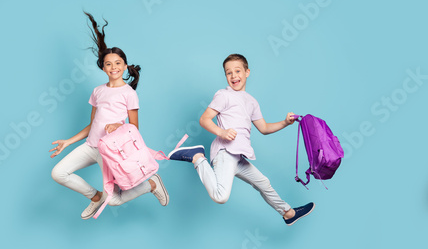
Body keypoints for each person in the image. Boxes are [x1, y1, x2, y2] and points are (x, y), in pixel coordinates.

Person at [168, 54, 314, 225]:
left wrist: (285, 122)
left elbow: (264, 128)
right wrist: (221, 132)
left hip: (239, 156)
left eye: (237, 71)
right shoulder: (224, 95)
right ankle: (197, 157)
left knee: (264, 183)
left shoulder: (252, 102)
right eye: (228, 73)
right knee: (220, 196)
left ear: (247, 72)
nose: (233, 76)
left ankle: (288, 213)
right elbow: (204, 119)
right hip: (225, 153)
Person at [50, 12, 168, 220]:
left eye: (118, 63)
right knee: (58, 173)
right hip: (90, 146)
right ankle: (95, 197)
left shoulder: (129, 94)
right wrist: (67, 142)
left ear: (124, 66)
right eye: (108, 64)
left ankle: (151, 184)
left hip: (110, 152)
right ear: (103, 68)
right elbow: (92, 124)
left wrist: (118, 127)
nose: (113, 67)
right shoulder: (97, 91)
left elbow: (134, 131)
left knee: (113, 199)